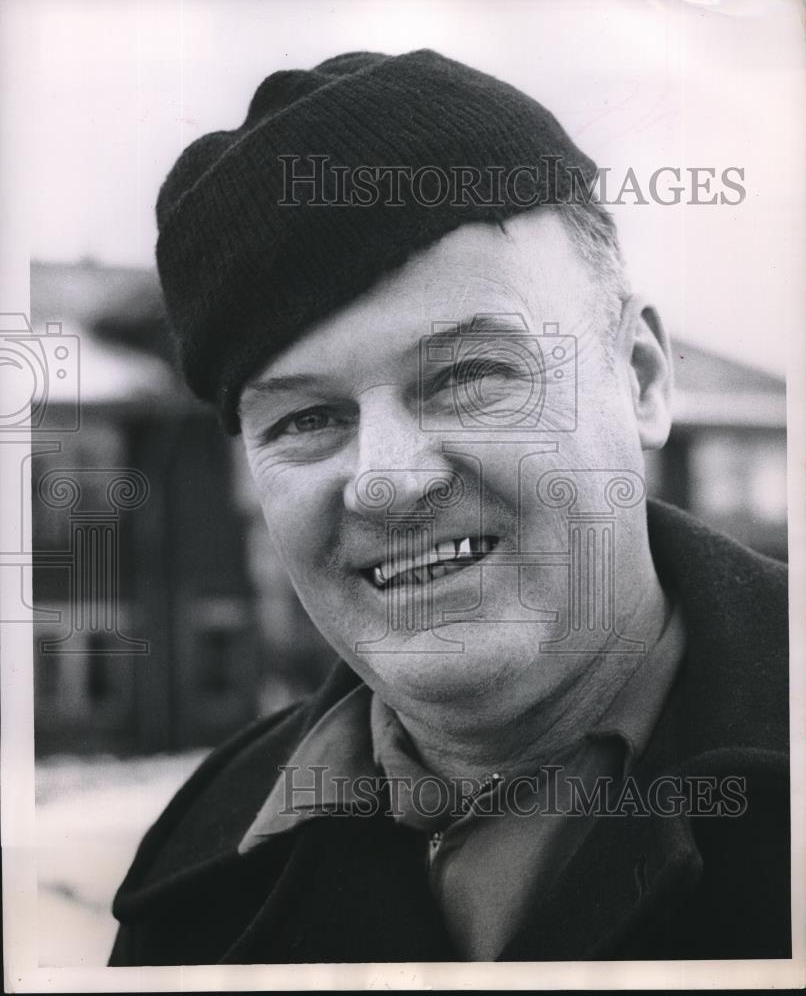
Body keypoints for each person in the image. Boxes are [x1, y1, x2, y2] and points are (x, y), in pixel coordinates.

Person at [109, 49, 789, 964]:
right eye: (308, 418)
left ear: (640, 380)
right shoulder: (204, 860)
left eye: (467, 375)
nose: (389, 480)